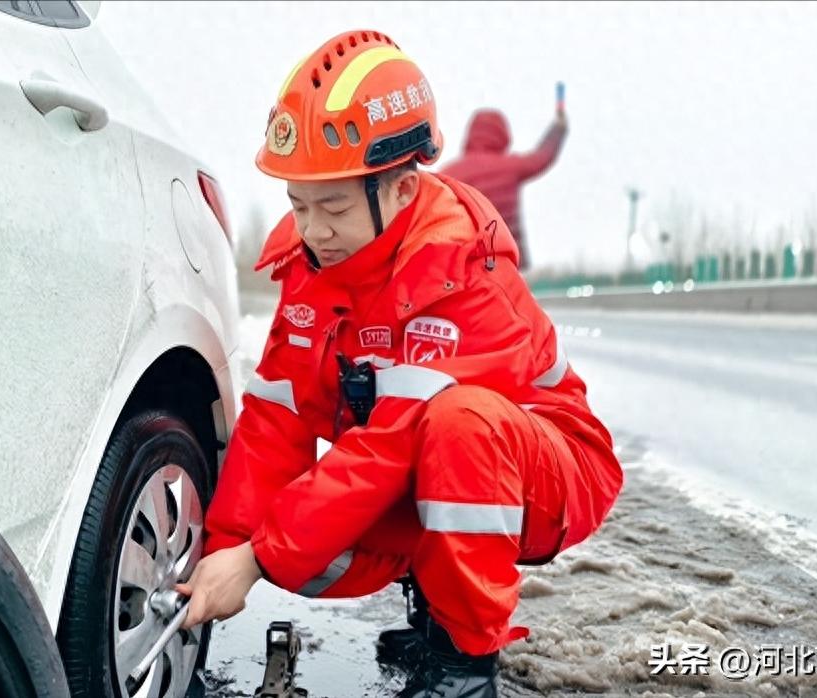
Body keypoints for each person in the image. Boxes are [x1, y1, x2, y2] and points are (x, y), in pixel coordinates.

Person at [176, 29, 622, 697]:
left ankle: (465, 664)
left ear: (403, 188)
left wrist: (260, 555)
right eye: (297, 205)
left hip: (550, 471)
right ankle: (437, 601)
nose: (312, 230)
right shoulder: (314, 267)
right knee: (298, 538)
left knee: (454, 424)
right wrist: (228, 544)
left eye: (331, 207)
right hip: (441, 462)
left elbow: (390, 444)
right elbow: (275, 419)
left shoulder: (458, 275)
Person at [439, 100, 568, 271]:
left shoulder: (449, 173)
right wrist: (558, 128)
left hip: (465, 263)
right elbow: (542, 157)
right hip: (507, 260)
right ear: (502, 135)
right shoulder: (510, 167)